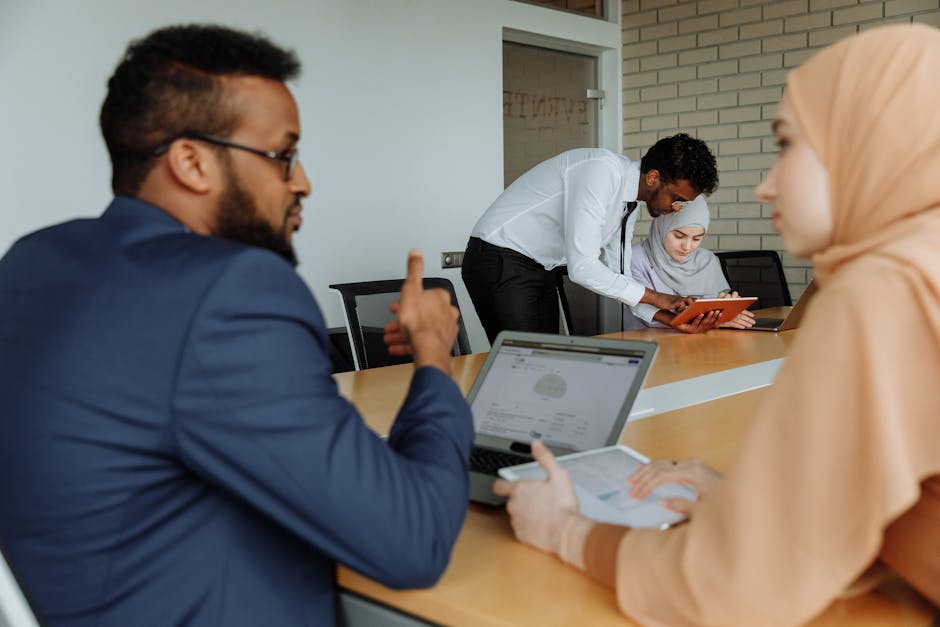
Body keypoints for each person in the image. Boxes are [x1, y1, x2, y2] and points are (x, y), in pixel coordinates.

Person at [0, 25, 473, 626]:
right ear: (192, 162)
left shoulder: (31, 259)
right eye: (283, 155)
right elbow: (415, 541)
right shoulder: (231, 291)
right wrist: (432, 355)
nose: (302, 182)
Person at [493, 24, 940, 626]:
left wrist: (568, 532)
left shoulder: (884, 287)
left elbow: (732, 589)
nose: (766, 185)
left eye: (788, 145)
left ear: (868, 145)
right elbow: (867, 509)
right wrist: (738, 497)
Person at [461, 135, 720, 344]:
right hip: (498, 255)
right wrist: (661, 298)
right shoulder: (601, 170)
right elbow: (582, 268)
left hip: (540, 266)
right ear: (653, 178)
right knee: (520, 362)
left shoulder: (629, 205)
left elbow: (620, 278)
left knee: (542, 362)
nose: (676, 209)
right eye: (677, 199)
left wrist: (668, 317)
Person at [623, 195, 755, 331]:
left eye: (697, 238)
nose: (687, 247)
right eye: (679, 236)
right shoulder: (634, 258)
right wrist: (711, 320)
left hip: (700, 344)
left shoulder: (707, 259)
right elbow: (642, 309)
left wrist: (724, 311)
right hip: (649, 344)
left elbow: (710, 309)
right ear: (661, 226)